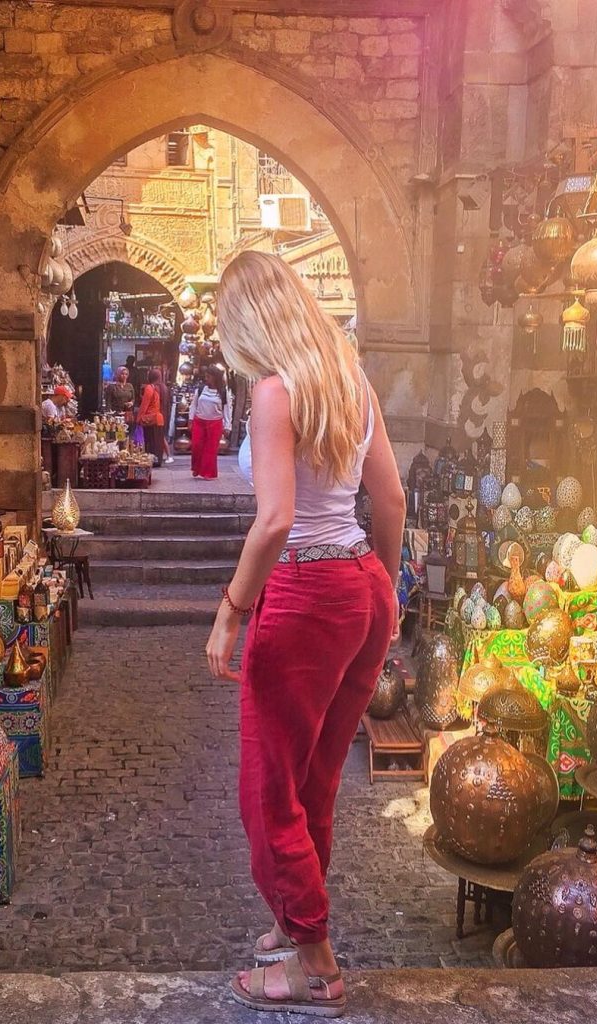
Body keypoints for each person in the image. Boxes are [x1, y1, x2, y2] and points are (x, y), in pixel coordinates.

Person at [206, 252, 405, 1017]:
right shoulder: (351, 382)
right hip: (360, 584)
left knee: (269, 788)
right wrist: (385, 591)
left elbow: (275, 521)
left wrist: (231, 609)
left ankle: (315, 966)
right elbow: (389, 500)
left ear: (247, 321)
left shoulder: (273, 391)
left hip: (303, 591)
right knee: (315, 777)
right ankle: (294, 924)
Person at [189, 366, 231, 480]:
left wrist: (227, 425)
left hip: (215, 423)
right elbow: (194, 405)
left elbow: (227, 409)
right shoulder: (201, 389)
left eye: (208, 376)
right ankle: (197, 468)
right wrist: (190, 420)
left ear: (215, 377)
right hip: (199, 421)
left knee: (211, 449)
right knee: (196, 446)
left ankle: (208, 473)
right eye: (205, 376)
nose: (206, 378)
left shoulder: (223, 392)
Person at [137, 368, 168, 467]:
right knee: (158, 441)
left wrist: (139, 418)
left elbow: (144, 405)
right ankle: (158, 460)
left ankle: (152, 461)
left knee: (150, 441)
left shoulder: (149, 388)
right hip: (160, 419)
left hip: (150, 419)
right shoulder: (163, 388)